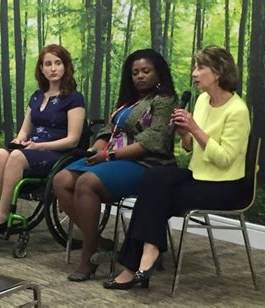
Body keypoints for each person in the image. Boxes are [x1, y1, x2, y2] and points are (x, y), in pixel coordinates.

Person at [103, 46, 250, 290]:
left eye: (200, 68)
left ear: (218, 72)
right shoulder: (203, 100)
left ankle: (136, 264)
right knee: (154, 177)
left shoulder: (238, 110)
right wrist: (184, 132)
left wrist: (194, 128)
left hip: (226, 186)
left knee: (156, 195)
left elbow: (224, 159)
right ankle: (145, 257)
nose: (194, 74)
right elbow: (190, 148)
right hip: (198, 176)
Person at [53, 49, 177, 282]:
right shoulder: (128, 102)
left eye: (146, 71)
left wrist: (109, 156)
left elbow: (153, 141)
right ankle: (99, 242)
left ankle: (88, 254)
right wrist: (95, 149)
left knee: (87, 183)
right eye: (135, 72)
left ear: (158, 73)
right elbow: (108, 131)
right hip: (112, 157)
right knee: (61, 180)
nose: (140, 76)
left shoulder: (165, 101)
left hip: (146, 164)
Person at [0, 44, 85, 232]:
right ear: (41, 68)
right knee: (1, 153)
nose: (53, 68)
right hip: (32, 149)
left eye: (58, 63)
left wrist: (40, 147)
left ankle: (2, 214)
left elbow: (73, 140)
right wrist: (20, 140)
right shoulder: (37, 96)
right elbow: (25, 130)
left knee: (16, 157)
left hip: (57, 154)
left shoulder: (74, 99)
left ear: (66, 66)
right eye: (48, 64)